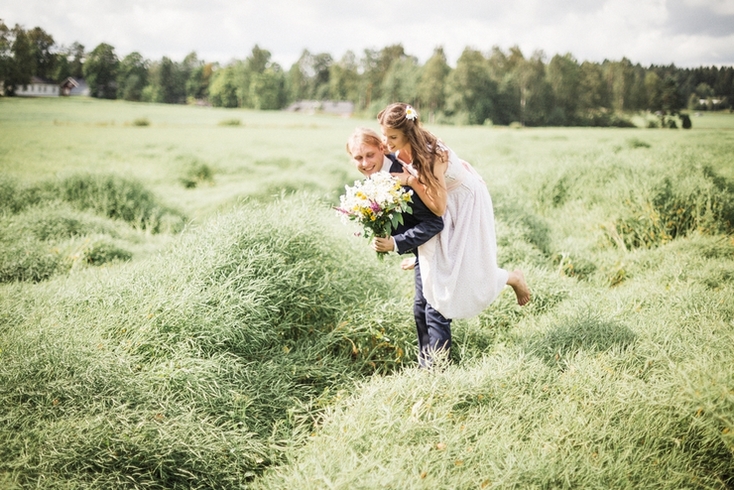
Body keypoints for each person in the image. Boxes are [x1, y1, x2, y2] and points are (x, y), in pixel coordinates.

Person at [376, 102, 531, 320]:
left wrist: (410, 180)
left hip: (464, 199)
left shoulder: (430, 156)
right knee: (447, 257)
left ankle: (513, 278)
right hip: (443, 196)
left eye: (392, 137)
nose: (386, 142)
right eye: (384, 135)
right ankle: (424, 260)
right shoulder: (402, 149)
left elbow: (438, 209)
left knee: (469, 268)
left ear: (408, 134)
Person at [346, 127, 452, 367]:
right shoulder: (374, 178)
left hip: (442, 242)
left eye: (370, 155)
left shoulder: (401, 175)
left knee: (433, 307)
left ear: (382, 149)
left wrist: (396, 243)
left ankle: (438, 371)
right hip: (422, 247)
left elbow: (434, 221)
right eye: (358, 158)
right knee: (420, 307)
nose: (364, 163)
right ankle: (428, 367)